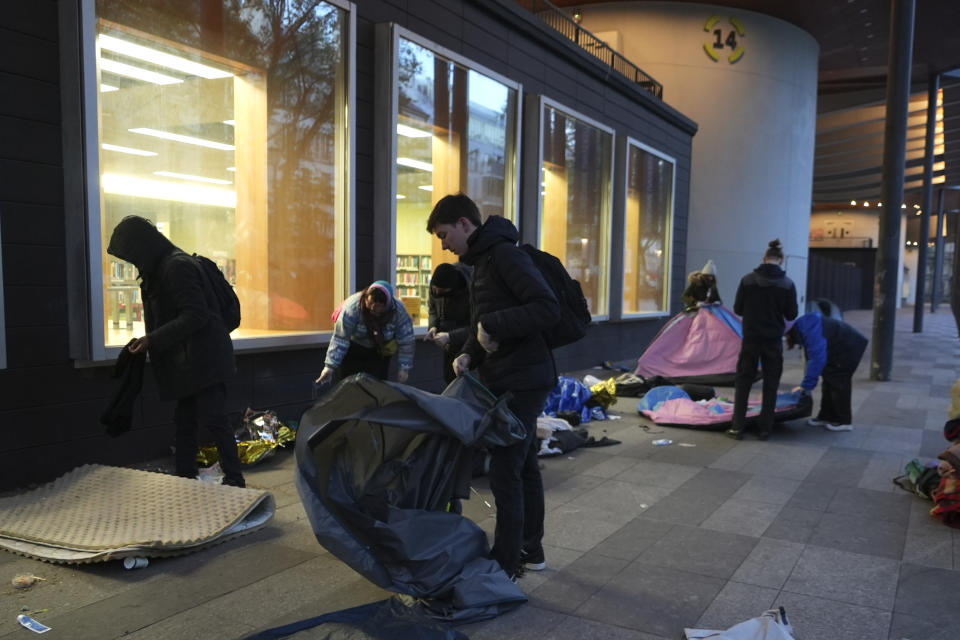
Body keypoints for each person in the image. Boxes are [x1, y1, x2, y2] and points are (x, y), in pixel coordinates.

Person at [426, 193, 560, 580]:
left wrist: (491, 329)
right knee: (523, 467)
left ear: (465, 224)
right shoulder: (481, 263)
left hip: (524, 379)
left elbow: (545, 308)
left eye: (444, 234)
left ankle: (504, 563)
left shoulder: (503, 255)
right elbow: (485, 320)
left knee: (505, 470)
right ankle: (530, 549)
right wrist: (467, 352)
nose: (444, 244)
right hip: (510, 376)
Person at [106, 216, 245, 487]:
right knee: (187, 421)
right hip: (192, 361)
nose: (133, 262)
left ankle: (234, 481)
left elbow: (196, 315)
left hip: (204, 360)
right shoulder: (165, 266)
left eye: (132, 255)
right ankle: (185, 477)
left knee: (213, 420)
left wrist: (151, 340)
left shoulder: (176, 267)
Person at [727, 239, 798, 440]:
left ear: (764, 259)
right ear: (781, 260)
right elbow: (792, 314)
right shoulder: (787, 284)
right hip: (773, 340)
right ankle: (765, 428)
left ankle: (737, 427)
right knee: (771, 383)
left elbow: (738, 309)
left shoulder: (747, 280)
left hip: (750, 338)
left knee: (743, 381)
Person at [315, 281, 415, 386]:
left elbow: (406, 340)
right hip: (352, 350)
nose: (372, 308)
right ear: (366, 297)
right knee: (347, 388)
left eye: (377, 307)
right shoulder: (352, 308)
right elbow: (340, 338)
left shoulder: (399, 311)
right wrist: (329, 367)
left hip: (379, 352)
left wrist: (404, 368)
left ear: (387, 305)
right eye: (370, 304)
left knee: (376, 389)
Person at [785, 311, 867, 432]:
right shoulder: (802, 327)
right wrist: (806, 384)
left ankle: (844, 421)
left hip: (848, 347)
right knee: (828, 381)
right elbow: (811, 357)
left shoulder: (808, 329)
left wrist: (806, 386)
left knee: (838, 383)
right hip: (839, 347)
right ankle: (826, 416)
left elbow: (817, 359)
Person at [425, 262, 472, 384]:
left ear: (451, 288)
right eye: (434, 288)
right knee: (449, 378)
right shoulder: (437, 284)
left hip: (469, 346)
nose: (436, 291)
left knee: (465, 382)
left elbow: (475, 326)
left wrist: (450, 336)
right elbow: (432, 309)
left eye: (440, 290)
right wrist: (433, 326)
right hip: (448, 347)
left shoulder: (472, 290)